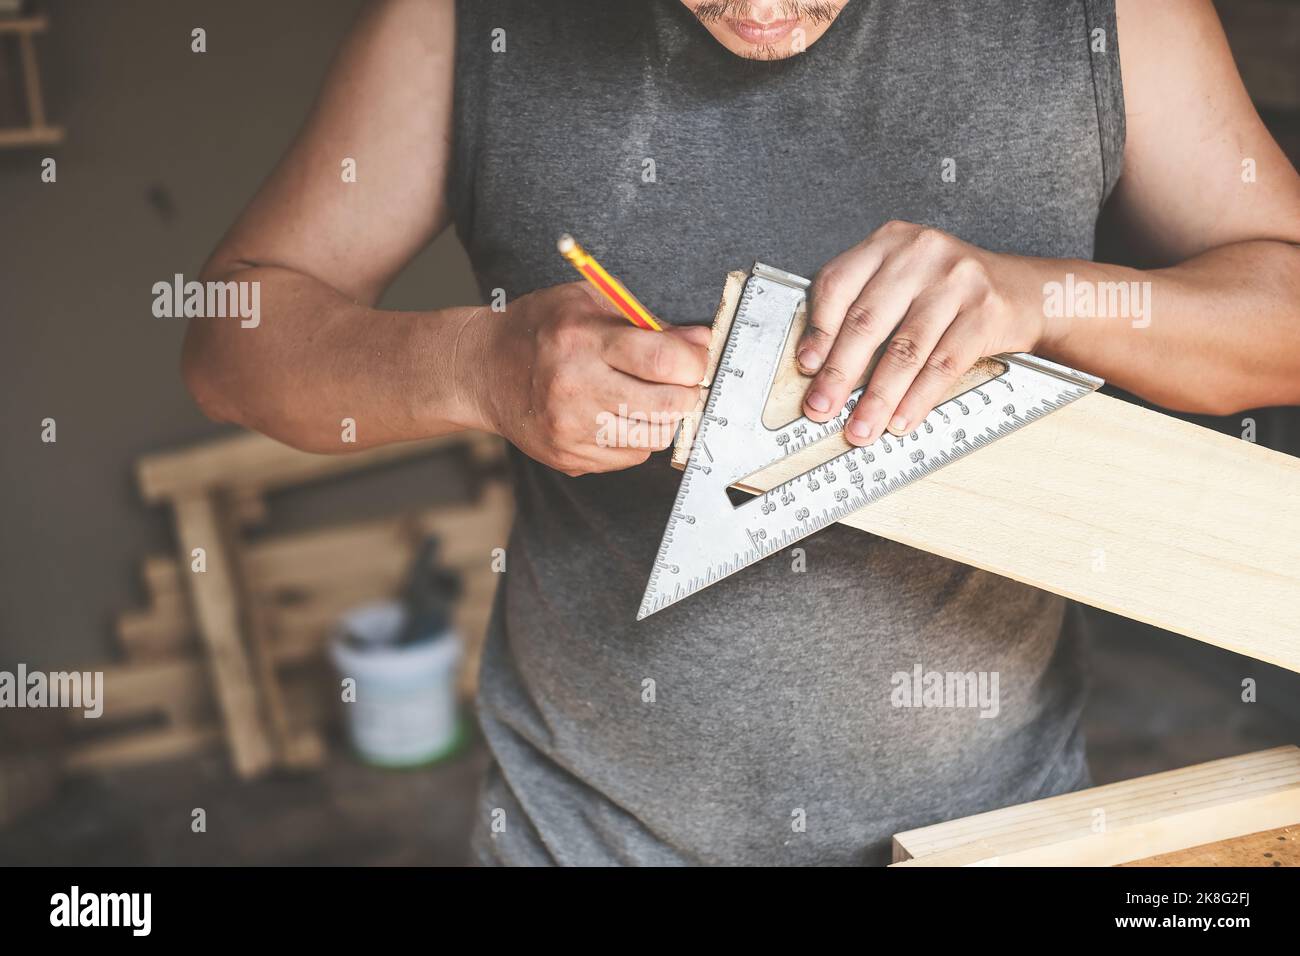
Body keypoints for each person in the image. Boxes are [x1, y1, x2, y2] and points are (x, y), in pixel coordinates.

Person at [182, 0, 1300, 865]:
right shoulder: (465, 24)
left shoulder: (1101, 17)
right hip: (586, 831)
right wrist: (477, 367)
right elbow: (228, 338)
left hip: (997, 831)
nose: (761, 9)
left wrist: (1048, 298)